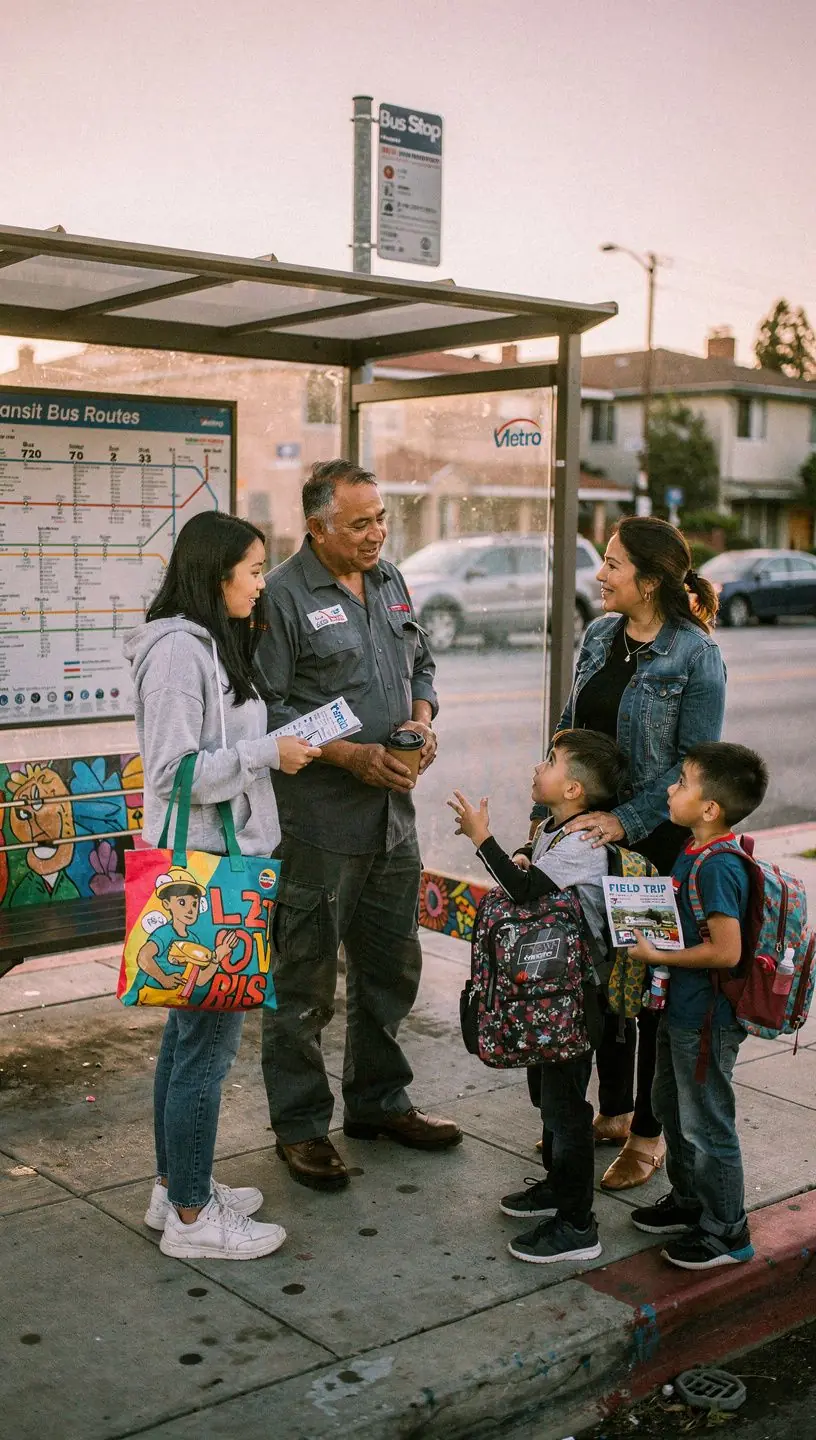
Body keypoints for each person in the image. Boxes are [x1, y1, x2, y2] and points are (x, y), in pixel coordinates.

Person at [255, 460, 461, 1192]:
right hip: (318, 826)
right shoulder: (281, 596)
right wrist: (350, 756)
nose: (378, 534)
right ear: (317, 528)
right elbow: (267, 712)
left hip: (392, 820)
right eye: (360, 523)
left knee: (389, 971)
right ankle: (303, 1127)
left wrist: (422, 724)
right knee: (304, 982)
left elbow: (424, 666)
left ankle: (378, 1104)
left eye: (382, 519)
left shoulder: (391, 580)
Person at [124, 510, 319, 1260]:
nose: (262, 584)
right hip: (206, 876)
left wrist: (263, 750)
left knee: (189, 1038)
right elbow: (174, 775)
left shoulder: (205, 643)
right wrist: (267, 756)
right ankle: (195, 1218)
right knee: (207, 1046)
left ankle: (176, 1187)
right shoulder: (180, 652)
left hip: (216, 865)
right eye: (253, 571)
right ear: (216, 576)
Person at [533, 516, 725, 1190]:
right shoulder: (599, 635)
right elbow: (570, 729)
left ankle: (648, 1132)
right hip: (591, 839)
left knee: (647, 992)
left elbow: (692, 767)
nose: (600, 574)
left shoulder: (696, 656)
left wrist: (625, 818)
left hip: (655, 847)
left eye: (611, 564)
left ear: (648, 580)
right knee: (597, 977)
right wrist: (547, 820)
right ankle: (612, 1110)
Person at [447, 728, 628, 1265]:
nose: (538, 766)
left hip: (576, 1000)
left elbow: (526, 892)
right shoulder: (556, 829)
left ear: (573, 789)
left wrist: (484, 840)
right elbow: (533, 875)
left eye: (550, 761)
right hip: (548, 996)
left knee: (567, 1109)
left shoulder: (582, 843)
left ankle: (577, 1225)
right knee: (547, 1098)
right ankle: (555, 1187)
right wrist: (523, 852)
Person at [627, 741, 768, 1269]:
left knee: (707, 1122)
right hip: (680, 1009)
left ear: (711, 808)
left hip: (707, 1019)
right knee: (670, 1106)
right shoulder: (693, 848)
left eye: (682, 782)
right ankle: (691, 1202)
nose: (670, 788)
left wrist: (657, 950)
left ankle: (726, 1229)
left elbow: (727, 950)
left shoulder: (718, 866)